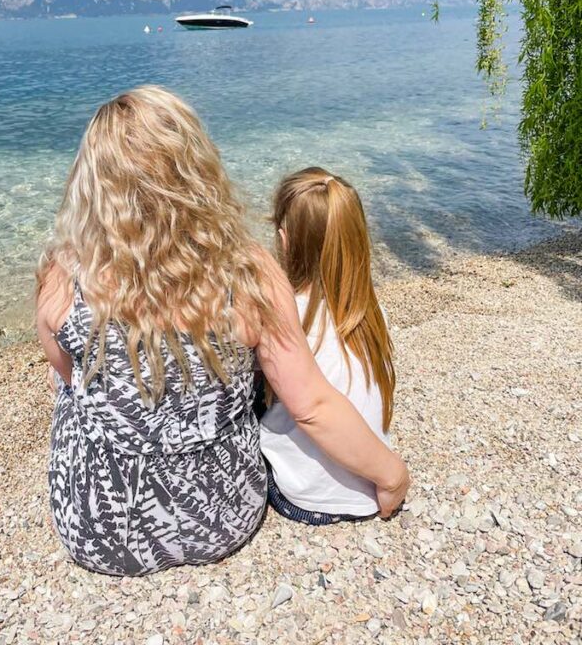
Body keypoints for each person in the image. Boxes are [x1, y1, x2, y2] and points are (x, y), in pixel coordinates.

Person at [36, 88, 409, 576]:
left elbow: (64, 374)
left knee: (75, 381)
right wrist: (390, 474)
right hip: (222, 516)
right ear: (196, 169)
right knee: (254, 367)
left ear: (94, 184)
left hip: (102, 530)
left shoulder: (63, 277)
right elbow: (312, 406)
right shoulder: (250, 272)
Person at [260, 167, 396, 524]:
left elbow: (309, 408)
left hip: (306, 495)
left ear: (285, 239)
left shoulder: (288, 315)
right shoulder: (367, 309)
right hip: (367, 484)